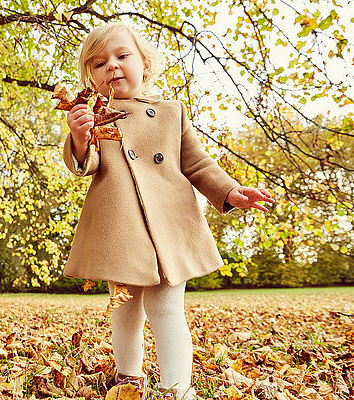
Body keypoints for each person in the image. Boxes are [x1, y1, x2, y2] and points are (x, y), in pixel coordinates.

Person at [61, 22, 274, 400]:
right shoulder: (91, 116)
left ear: (144, 63)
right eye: (98, 63)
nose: (111, 66)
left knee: (166, 308)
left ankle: (177, 388)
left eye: (122, 56)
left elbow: (198, 164)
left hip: (170, 228)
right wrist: (79, 137)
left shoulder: (171, 112)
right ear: (90, 79)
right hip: (122, 230)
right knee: (125, 308)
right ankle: (128, 378)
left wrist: (230, 191)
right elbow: (86, 162)